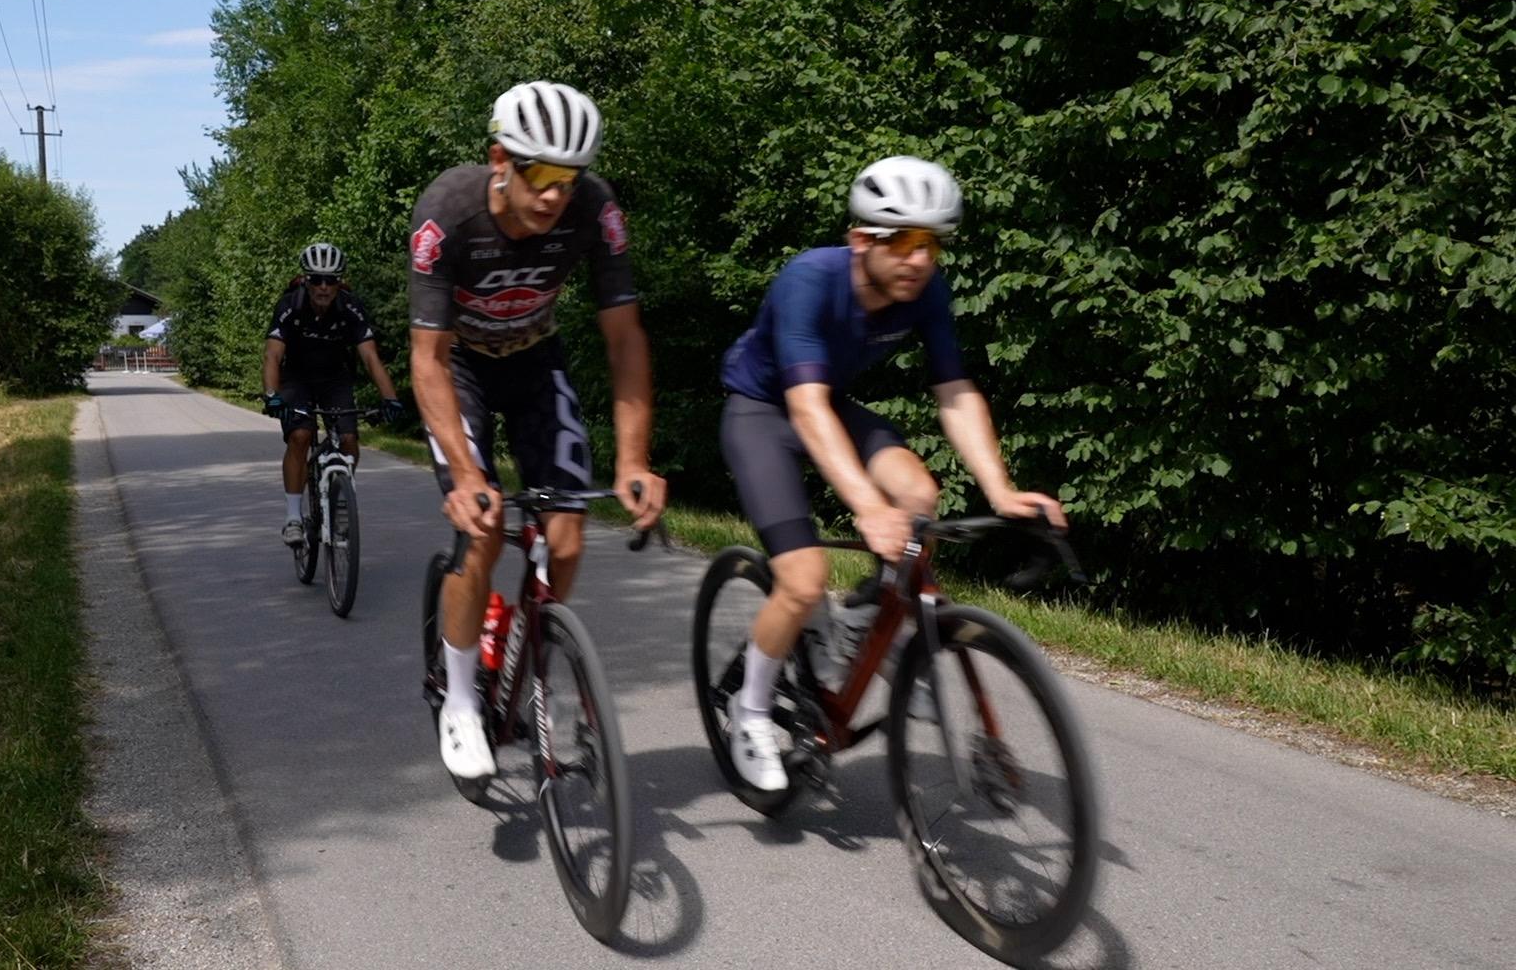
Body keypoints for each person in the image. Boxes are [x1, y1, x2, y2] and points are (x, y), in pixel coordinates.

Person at [716, 156, 1065, 791]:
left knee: (920, 496)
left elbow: (954, 390)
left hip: (830, 405)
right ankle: (751, 710)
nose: (918, 259)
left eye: (930, 243)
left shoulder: (927, 291)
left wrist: (1000, 489)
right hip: (764, 412)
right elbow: (805, 405)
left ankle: (858, 621)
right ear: (859, 240)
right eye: (901, 240)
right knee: (800, 580)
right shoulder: (809, 280)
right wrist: (865, 506)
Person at [409, 80, 667, 779]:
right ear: (500, 158)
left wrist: (635, 458)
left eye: (570, 177)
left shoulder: (595, 210)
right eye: (541, 174)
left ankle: (532, 634)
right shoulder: (448, 215)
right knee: (484, 529)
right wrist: (466, 476)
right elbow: (426, 358)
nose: (556, 193)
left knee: (569, 533)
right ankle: (462, 701)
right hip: (459, 365)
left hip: (533, 358)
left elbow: (624, 339)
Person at [262, 242, 404, 545]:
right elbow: (273, 356)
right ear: (306, 280)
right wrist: (272, 395)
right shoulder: (290, 305)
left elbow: (370, 358)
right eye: (316, 279)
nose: (323, 287)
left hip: (335, 379)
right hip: (297, 379)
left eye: (330, 280)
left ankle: (340, 502)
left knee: (350, 441)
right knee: (300, 436)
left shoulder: (350, 308)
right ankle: (293, 518)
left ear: (340, 282)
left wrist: (390, 398)